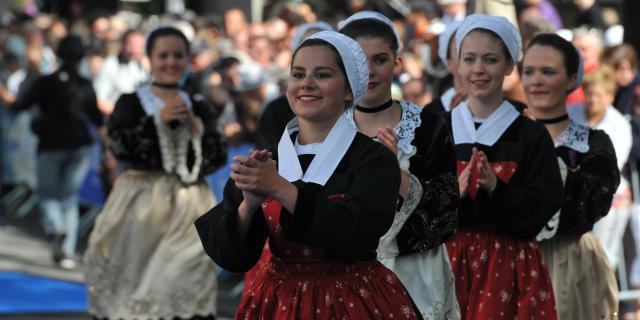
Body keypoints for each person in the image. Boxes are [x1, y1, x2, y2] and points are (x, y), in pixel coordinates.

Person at [195, 30, 421, 319]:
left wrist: (280, 189)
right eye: (298, 74)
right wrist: (248, 206)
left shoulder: (373, 158)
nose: (306, 84)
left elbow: (359, 232)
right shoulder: (269, 159)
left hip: (350, 299)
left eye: (322, 75)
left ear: (350, 90)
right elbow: (232, 257)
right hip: (277, 301)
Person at [83, 26, 226, 320]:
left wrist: (197, 132)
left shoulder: (199, 106)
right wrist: (155, 122)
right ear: (150, 58)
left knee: (182, 282)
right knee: (135, 284)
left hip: (189, 205)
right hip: (140, 203)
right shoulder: (131, 103)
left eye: (178, 55)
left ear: (188, 59)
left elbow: (216, 157)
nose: (171, 62)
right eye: (163, 55)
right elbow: (121, 148)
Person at [338, 11, 460, 319]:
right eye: (357, 60)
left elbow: (445, 216)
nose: (369, 70)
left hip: (414, 272)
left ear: (397, 63)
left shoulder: (428, 126)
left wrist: (395, 174)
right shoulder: (328, 128)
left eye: (379, 59)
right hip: (346, 275)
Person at [443, 14, 564, 319]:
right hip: (445, 261)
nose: (478, 69)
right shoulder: (440, 128)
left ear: (510, 66)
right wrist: (451, 192)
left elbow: (543, 204)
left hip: (509, 266)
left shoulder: (530, 134)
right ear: (458, 64)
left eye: (490, 59)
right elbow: (415, 209)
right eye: (469, 59)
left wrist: (496, 188)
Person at [522, 33, 619, 320]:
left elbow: (588, 206)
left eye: (548, 72)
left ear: (571, 78)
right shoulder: (506, 139)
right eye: (529, 71)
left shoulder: (592, 143)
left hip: (572, 262)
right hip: (513, 260)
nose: (536, 80)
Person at [8, 35, 104, 270]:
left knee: (49, 195)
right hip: (78, 147)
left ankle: (57, 228)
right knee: (68, 198)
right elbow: (98, 120)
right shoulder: (84, 84)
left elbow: (18, 105)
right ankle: (67, 250)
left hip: (51, 146)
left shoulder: (46, 82)